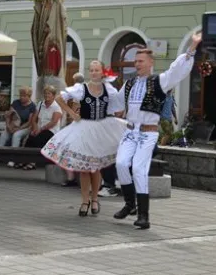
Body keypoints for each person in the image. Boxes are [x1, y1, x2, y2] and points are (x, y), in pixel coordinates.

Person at [112, 32, 201, 230]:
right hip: (129, 131)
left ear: (150, 63)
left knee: (138, 169)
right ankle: (129, 204)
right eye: (135, 61)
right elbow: (115, 103)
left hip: (148, 133)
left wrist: (192, 48)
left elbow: (176, 71)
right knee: (120, 163)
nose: (137, 64)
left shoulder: (159, 81)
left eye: (141, 61)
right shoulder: (129, 84)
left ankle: (144, 215)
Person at [40, 61, 127, 216]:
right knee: (85, 168)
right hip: (84, 128)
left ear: (102, 72)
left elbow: (118, 104)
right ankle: (85, 200)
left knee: (97, 167)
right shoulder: (81, 88)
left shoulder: (108, 88)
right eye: (91, 70)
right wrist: (72, 113)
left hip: (101, 128)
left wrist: (116, 116)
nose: (94, 73)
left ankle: (94, 199)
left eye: (97, 70)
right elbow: (60, 98)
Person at [22, 85, 62, 170]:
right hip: (39, 129)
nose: (47, 95)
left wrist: (40, 129)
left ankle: (32, 162)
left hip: (50, 131)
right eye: (45, 93)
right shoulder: (40, 104)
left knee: (37, 139)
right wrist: (35, 128)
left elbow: (53, 123)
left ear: (53, 95)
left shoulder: (56, 107)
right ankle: (24, 160)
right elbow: (34, 118)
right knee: (30, 139)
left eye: (49, 93)